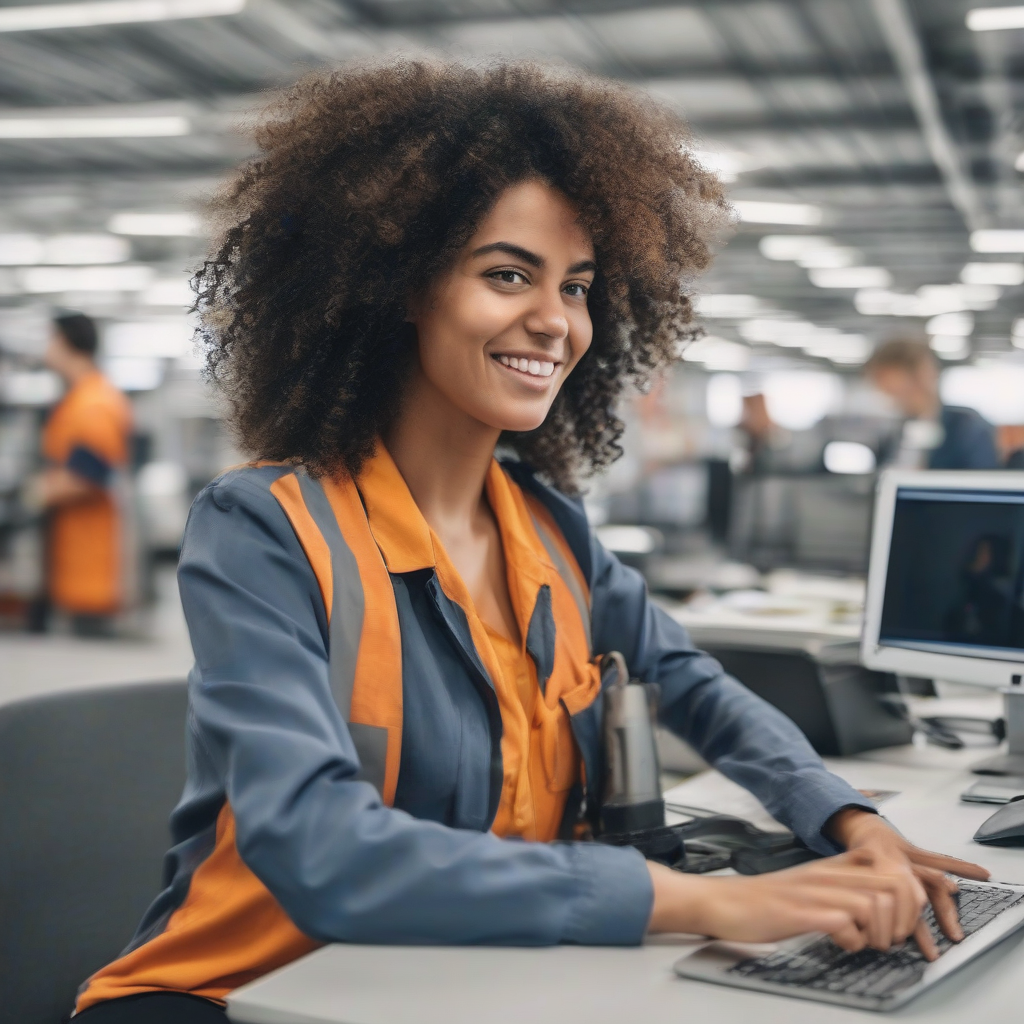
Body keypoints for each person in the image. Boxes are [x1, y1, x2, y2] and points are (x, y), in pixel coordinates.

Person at [74, 61, 987, 1022]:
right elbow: (320, 849)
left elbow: (693, 686)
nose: (555, 321)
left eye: (578, 285)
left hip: (458, 981)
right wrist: (714, 901)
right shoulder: (266, 529)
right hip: (238, 991)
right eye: (507, 274)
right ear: (398, 287)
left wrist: (848, 820)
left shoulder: (548, 527)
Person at [26, 311, 132, 636]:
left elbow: (89, 475)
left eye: (50, 339)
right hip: (76, 562)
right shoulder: (80, 399)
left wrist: (37, 493)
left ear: (65, 343)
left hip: (91, 569)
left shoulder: (93, 403)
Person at [865, 337, 1000, 470]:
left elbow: (983, 481)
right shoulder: (894, 433)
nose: (889, 397)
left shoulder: (967, 427)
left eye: (894, 390)